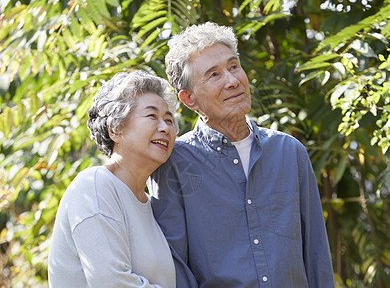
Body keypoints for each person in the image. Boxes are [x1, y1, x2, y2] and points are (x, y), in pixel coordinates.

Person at [149, 22, 335, 287]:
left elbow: (316, 254)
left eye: (234, 66)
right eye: (214, 75)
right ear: (189, 99)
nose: (233, 81)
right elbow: (175, 267)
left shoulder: (289, 153)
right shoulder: (174, 164)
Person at [48, 70, 177, 287]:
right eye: (152, 116)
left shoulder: (151, 204)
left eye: (169, 120)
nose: (165, 127)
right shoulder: (94, 186)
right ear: (115, 129)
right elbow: (111, 282)